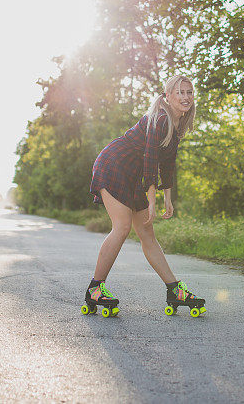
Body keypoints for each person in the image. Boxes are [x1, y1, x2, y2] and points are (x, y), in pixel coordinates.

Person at [82, 74, 206, 317]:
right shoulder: (159, 119)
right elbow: (150, 159)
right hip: (114, 165)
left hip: (134, 174)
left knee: (147, 232)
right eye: (179, 92)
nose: (185, 97)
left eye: (189, 92)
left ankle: (174, 290)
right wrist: (152, 200)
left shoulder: (177, 124)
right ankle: (95, 289)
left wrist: (167, 198)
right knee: (122, 226)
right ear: (168, 96)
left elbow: (167, 164)